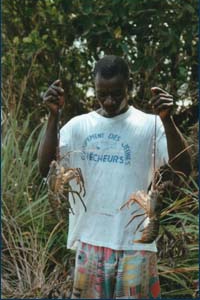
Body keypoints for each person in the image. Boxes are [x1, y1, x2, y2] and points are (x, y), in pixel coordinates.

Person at [38, 55, 192, 299]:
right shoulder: (78, 126)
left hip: (136, 246)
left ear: (128, 87)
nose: (109, 101)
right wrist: (53, 115)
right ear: (94, 88)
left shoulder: (149, 125)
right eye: (102, 94)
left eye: (117, 93)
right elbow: (46, 169)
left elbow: (184, 167)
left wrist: (168, 119)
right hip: (89, 242)